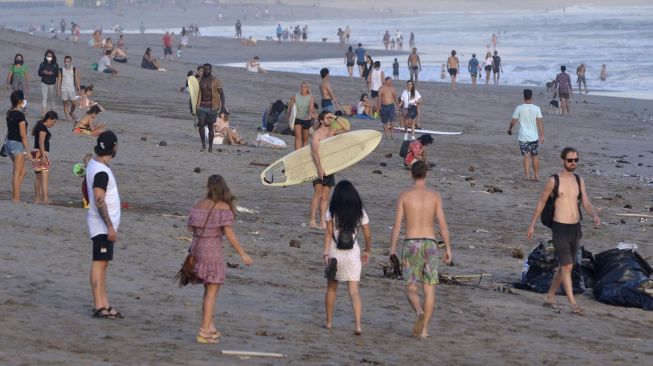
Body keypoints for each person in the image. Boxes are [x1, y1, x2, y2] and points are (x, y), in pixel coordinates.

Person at [527, 147, 601, 316]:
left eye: (576, 160)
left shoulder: (579, 180)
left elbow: (586, 202)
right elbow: (541, 203)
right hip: (559, 228)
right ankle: (573, 304)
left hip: (575, 228)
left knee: (565, 266)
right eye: (570, 160)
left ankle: (550, 297)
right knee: (567, 265)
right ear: (562, 161)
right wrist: (532, 225)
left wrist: (594, 215)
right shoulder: (554, 180)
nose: (573, 163)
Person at [186, 175, 253, 343]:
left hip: (196, 247)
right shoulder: (223, 207)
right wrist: (243, 254)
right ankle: (204, 331)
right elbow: (229, 233)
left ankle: (210, 326)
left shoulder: (198, 203)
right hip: (212, 250)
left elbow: (189, 227)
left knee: (208, 290)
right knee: (212, 291)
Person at [390, 160, 452, 338]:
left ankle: (418, 312)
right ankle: (424, 330)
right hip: (431, 244)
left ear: (411, 174)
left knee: (410, 286)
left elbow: (396, 226)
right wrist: (448, 248)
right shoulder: (435, 196)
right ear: (427, 174)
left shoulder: (404, 196)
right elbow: (443, 225)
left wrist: (392, 249)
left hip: (411, 243)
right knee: (429, 288)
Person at [323, 180, 372, 335]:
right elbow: (368, 235)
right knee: (354, 292)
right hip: (352, 254)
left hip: (335, 252)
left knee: (331, 289)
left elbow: (329, 233)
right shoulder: (360, 211)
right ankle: (358, 325)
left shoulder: (332, 210)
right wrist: (367, 251)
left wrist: (325, 252)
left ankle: (329, 322)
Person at [86, 131, 123, 319]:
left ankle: (104, 303)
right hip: (101, 226)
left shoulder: (95, 164)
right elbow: (99, 199)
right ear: (114, 147)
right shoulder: (101, 171)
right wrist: (109, 226)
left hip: (100, 224)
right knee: (99, 264)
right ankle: (99, 305)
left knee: (103, 264)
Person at [310, 111, 341, 229]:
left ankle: (323, 221)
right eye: (327, 118)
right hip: (318, 167)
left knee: (326, 197)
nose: (330, 119)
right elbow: (314, 152)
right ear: (321, 120)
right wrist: (319, 169)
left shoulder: (332, 131)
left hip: (329, 167)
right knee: (317, 194)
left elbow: (347, 128)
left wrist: (335, 117)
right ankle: (312, 221)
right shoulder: (317, 134)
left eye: (330, 118)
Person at [508, 89, 544, 181]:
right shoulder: (536, 108)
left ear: (524, 97)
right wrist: (542, 135)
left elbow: (513, 121)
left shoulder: (519, 108)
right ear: (531, 97)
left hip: (523, 137)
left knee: (526, 156)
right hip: (534, 137)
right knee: (535, 155)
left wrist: (510, 128)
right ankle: (536, 175)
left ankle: (527, 176)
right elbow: (539, 122)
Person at [6, 91, 32, 203]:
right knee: (17, 172)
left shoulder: (10, 113)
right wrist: (28, 151)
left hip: (9, 143)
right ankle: (16, 198)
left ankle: (15, 193)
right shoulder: (20, 115)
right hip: (17, 145)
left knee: (23, 171)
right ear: (21, 101)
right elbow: (23, 135)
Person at [196, 63, 226, 152]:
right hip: (201, 105)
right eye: (204, 69)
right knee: (201, 124)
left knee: (210, 127)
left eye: (208, 69)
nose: (206, 71)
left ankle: (210, 147)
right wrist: (192, 108)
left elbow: (222, 94)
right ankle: (203, 145)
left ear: (211, 70)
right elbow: (193, 93)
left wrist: (223, 106)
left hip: (212, 106)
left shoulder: (216, 80)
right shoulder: (199, 80)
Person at [31, 111, 58, 204]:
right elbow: (41, 142)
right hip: (40, 153)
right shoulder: (42, 128)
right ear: (49, 119)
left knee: (38, 177)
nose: (53, 124)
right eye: (54, 122)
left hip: (35, 152)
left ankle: (37, 199)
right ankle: (45, 199)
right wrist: (43, 155)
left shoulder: (39, 125)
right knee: (44, 178)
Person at [288, 81, 316, 150]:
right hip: (297, 118)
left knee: (305, 139)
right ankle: (297, 153)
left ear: (307, 88)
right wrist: (289, 118)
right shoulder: (295, 96)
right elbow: (290, 107)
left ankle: (303, 153)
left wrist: (309, 114)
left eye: (304, 87)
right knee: (298, 137)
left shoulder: (311, 97)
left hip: (306, 119)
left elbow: (311, 108)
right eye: (301, 87)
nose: (302, 89)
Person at [56, 56, 81, 121]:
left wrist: (79, 88)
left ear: (70, 62)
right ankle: (67, 118)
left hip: (71, 89)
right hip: (63, 89)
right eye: (66, 62)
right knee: (65, 103)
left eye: (68, 62)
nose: (67, 63)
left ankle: (71, 112)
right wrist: (58, 90)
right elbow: (59, 80)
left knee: (74, 103)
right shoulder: (61, 69)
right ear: (64, 62)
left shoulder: (74, 69)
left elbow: (77, 79)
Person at [38, 50, 59, 116]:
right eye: (48, 56)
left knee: (52, 98)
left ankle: (52, 112)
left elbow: (58, 74)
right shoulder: (42, 64)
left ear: (53, 56)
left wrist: (52, 73)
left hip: (52, 83)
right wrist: (43, 72)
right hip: (44, 82)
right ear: (45, 56)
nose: (49, 57)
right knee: (44, 98)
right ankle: (44, 112)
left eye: (50, 56)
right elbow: (39, 73)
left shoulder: (55, 64)